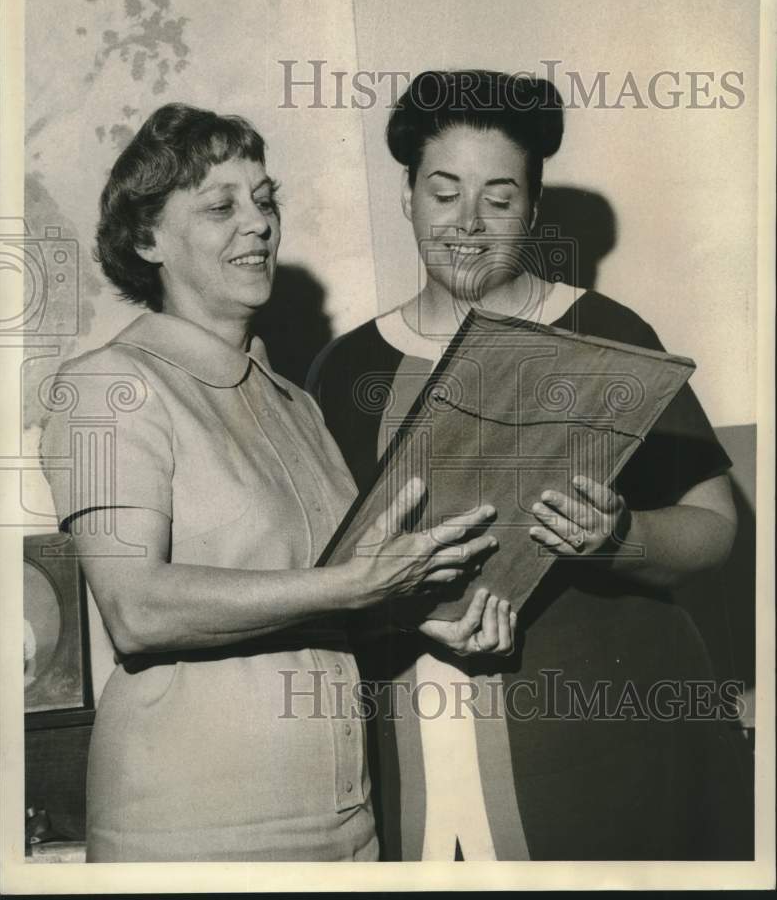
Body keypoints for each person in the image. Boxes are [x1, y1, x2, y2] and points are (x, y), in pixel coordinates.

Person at [38, 102, 514, 862]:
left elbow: (320, 597)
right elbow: (136, 607)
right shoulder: (99, 387)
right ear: (146, 237)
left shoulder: (294, 402)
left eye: (264, 200)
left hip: (344, 828)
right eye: (220, 206)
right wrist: (354, 588)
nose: (257, 223)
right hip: (193, 837)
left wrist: (414, 616)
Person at [307, 70, 754, 861]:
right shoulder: (348, 368)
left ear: (533, 210)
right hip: (405, 745)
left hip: (589, 753)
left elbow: (716, 525)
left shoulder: (602, 332)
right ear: (406, 195)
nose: (468, 225)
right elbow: (317, 575)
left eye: (500, 199)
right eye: (443, 193)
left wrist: (621, 536)